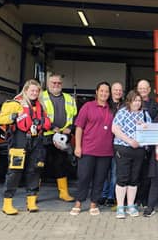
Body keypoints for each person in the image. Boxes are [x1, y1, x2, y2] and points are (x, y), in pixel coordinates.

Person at [0, 79, 51, 215]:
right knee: (15, 172)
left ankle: (31, 202)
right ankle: (7, 203)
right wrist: (14, 116)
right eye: (32, 90)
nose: (34, 93)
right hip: (19, 140)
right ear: (26, 90)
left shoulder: (41, 106)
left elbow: (47, 122)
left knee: (35, 170)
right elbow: (1, 119)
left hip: (36, 141)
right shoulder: (15, 103)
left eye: (37, 91)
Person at [71, 82, 115, 216]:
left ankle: (93, 204)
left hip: (106, 152)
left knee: (100, 179)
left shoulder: (112, 109)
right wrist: (78, 146)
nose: (104, 94)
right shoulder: (87, 106)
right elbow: (79, 127)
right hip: (88, 150)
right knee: (84, 177)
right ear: (96, 92)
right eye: (101, 91)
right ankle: (78, 203)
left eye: (106, 91)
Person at [111, 90, 151, 218]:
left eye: (139, 100)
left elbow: (151, 129)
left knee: (134, 179)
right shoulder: (122, 112)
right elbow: (115, 129)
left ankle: (130, 205)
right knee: (122, 177)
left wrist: (145, 126)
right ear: (129, 101)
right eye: (134, 100)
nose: (137, 103)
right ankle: (120, 207)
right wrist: (129, 141)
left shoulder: (144, 114)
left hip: (139, 150)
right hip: (123, 148)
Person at [40, 73, 77, 202]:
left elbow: (74, 117)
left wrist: (70, 129)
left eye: (58, 83)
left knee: (61, 165)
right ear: (48, 84)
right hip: (44, 137)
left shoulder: (69, 99)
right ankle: (33, 195)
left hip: (62, 137)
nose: (56, 85)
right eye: (53, 83)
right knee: (39, 165)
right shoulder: (40, 97)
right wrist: (50, 128)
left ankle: (64, 193)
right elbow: (37, 116)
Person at [135, 79, 158, 206]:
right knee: (134, 173)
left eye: (145, 88)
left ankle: (143, 199)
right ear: (137, 89)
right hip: (134, 144)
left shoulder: (155, 105)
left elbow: (155, 123)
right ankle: (133, 199)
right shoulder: (131, 103)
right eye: (140, 88)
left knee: (146, 173)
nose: (143, 90)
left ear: (149, 89)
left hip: (149, 146)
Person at [101, 81, 124, 206]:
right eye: (115, 90)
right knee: (104, 171)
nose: (118, 92)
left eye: (120, 90)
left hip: (119, 143)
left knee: (115, 172)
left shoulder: (125, 106)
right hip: (105, 142)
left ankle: (111, 196)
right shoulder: (105, 105)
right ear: (111, 92)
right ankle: (103, 194)